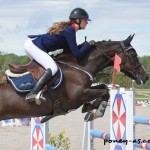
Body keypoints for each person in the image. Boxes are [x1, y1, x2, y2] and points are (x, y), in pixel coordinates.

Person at [24, 7, 95, 103]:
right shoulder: (69, 31)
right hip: (33, 46)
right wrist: (87, 45)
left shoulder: (70, 30)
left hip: (33, 45)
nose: (87, 22)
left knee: (43, 69)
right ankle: (33, 92)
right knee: (53, 68)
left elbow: (71, 51)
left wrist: (83, 46)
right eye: (85, 20)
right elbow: (77, 54)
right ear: (78, 20)